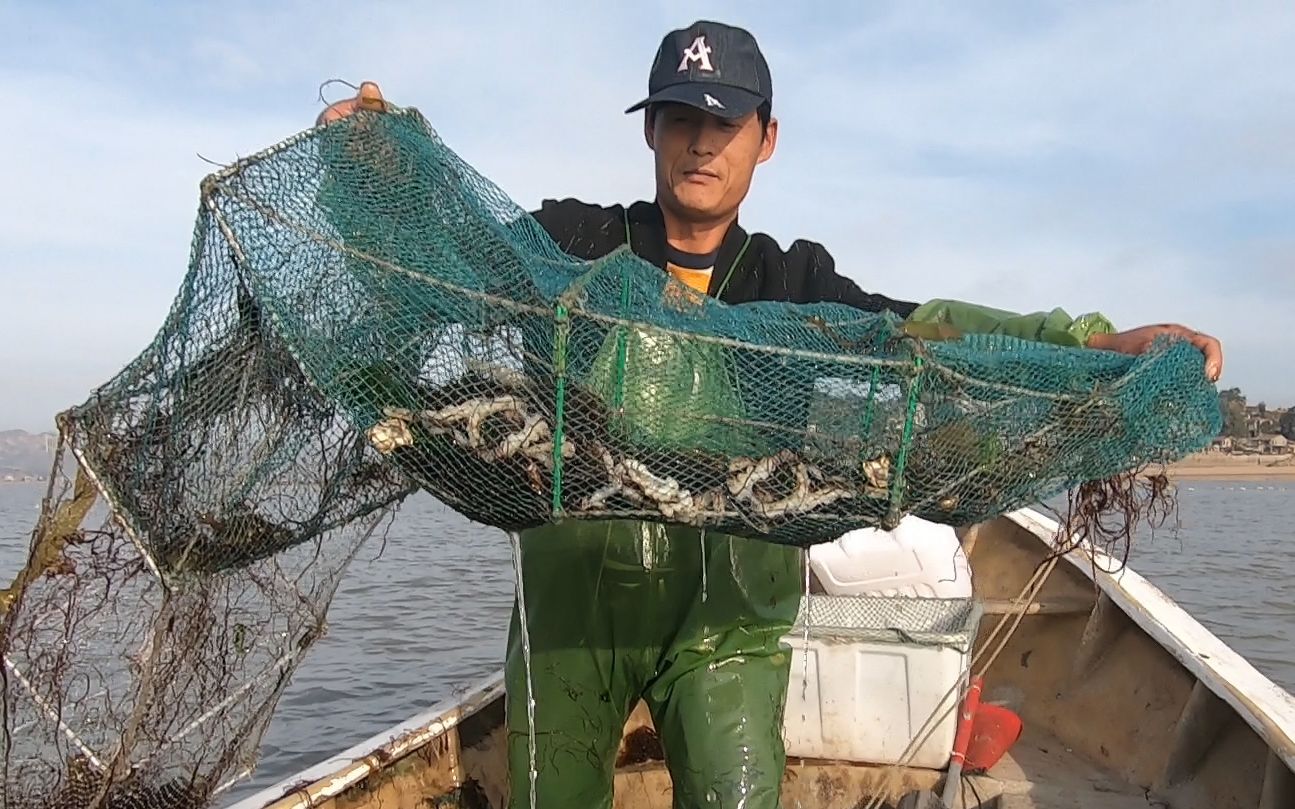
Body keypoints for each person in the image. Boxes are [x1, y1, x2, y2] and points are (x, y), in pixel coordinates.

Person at [318, 20, 1223, 809]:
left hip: (729, 616)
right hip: (570, 614)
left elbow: (934, 339)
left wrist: (1089, 344)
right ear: (652, 133)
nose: (701, 144)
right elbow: (436, 262)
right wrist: (371, 178)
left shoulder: (794, 281)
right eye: (681, 118)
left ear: (766, 137)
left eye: (724, 122)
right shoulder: (569, 243)